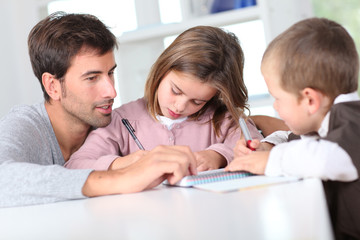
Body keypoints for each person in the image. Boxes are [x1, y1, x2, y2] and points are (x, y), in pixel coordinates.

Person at [0, 12, 198, 208]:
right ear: (53, 86)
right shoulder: (27, 125)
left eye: (110, 73)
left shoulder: (118, 123)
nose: (111, 91)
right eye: (92, 78)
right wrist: (120, 178)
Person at [226, 18, 360, 239]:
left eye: (277, 98)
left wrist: (269, 161)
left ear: (309, 100)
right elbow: (295, 138)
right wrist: (268, 145)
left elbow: (326, 157)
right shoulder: (324, 123)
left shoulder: (353, 118)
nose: (274, 106)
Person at [65, 26, 263, 172]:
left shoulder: (223, 120)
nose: (180, 106)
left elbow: (256, 146)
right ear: (162, 71)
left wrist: (218, 155)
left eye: (197, 102)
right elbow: (76, 166)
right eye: (176, 91)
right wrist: (125, 163)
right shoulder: (121, 121)